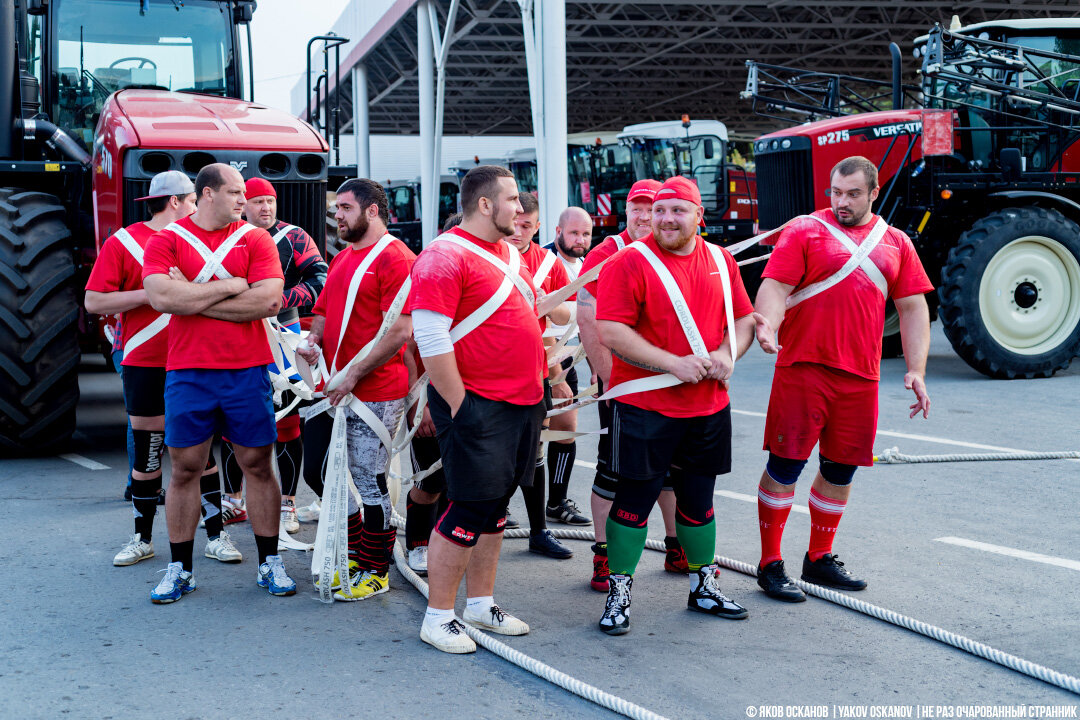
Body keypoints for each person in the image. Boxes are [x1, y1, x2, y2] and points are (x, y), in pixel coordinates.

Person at [751, 156, 933, 602]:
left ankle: (818, 559)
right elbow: (775, 285)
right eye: (835, 192)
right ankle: (770, 563)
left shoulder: (896, 243)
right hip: (803, 369)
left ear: (874, 193)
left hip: (860, 376)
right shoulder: (805, 230)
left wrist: (916, 370)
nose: (842, 201)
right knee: (785, 465)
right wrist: (767, 324)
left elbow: (913, 308)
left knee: (840, 469)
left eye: (853, 193)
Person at [595, 176, 756, 635]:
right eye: (660, 210)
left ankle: (703, 585)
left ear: (698, 216)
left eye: (677, 211)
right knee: (632, 504)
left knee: (699, 504)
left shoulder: (722, 261)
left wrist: (729, 354)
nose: (665, 219)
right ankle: (619, 591)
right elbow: (611, 330)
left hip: (707, 407)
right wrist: (673, 364)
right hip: (646, 407)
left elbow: (741, 319)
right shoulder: (629, 262)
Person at [142, 163, 294, 603]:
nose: (243, 200)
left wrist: (191, 297)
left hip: (247, 369)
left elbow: (267, 300)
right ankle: (180, 568)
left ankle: (270, 562)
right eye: (234, 192)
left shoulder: (256, 239)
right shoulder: (167, 239)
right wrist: (232, 286)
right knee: (186, 468)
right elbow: (159, 297)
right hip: (188, 372)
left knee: (258, 465)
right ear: (206, 194)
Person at [409, 165, 543, 653]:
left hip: (522, 402)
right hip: (478, 405)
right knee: (466, 506)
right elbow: (429, 335)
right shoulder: (442, 256)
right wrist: (460, 405)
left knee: (495, 508)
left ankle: (480, 605)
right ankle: (438, 615)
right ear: (485, 205)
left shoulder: (509, 252)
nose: (521, 209)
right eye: (512, 200)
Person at [85, 171, 242, 566]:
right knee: (148, 455)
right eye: (192, 200)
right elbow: (93, 302)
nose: (197, 207)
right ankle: (142, 538)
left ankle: (216, 536)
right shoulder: (124, 242)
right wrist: (156, 292)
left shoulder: (204, 240)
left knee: (202, 453)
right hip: (145, 361)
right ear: (175, 201)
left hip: (195, 357)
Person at [297, 178, 414, 602]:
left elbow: (400, 330)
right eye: (337, 209)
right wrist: (312, 344)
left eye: (345, 208)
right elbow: (325, 311)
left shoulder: (396, 258)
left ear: (372, 211)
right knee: (318, 470)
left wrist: (353, 372)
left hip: (377, 388)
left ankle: (374, 568)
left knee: (369, 479)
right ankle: (351, 550)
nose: (337, 216)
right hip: (334, 384)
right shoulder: (345, 256)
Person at [576, 178, 688, 593]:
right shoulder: (609, 253)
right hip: (625, 386)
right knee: (614, 468)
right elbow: (588, 320)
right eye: (637, 208)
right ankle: (604, 558)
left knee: (671, 469)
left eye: (652, 207)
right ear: (626, 210)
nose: (645, 216)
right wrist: (610, 378)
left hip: (672, 382)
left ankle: (677, 547)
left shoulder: (676, 249)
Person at [219, 177, 328, 532]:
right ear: (243, 204)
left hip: (284, 336)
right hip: (236, 333)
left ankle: (288, 504)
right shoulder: (226, 236)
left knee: (287, 421)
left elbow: (321, 279)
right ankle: (233, 499)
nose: (265, 208)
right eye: (258, 201)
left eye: (270, 201)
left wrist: (279, 300)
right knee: (231, 422)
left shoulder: (294, 237)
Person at [503, 192, 574, 560]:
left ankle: (539, 530)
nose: (518, 231)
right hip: (493, 369)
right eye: (515, 223)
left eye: (526, 226)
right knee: (492, 452)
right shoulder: (490, 253)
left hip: (534, 371)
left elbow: (562, 320)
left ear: (538, 226)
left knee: (536, 451)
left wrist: (545, 299)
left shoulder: (548, 262)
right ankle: (487, 520)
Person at [402, 212, 464, 576]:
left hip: (471, 399)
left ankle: (450, 541)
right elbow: (409, 349)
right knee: (430, 481)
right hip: (430, 399)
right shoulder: (428, 276)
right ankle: (418, 544)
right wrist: (418, 404)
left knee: (462, 483)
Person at [543, 207, 593, 527]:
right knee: (531, 438)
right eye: (574, 233)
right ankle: (499, 506)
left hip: (571, 357)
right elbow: (543, 321)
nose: (580, 239)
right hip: (545, 359)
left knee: (564, 432)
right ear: (558, 230)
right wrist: (555, 373)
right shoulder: (545, 262)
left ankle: (556, 502)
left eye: (586, 234)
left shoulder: (586, 265)